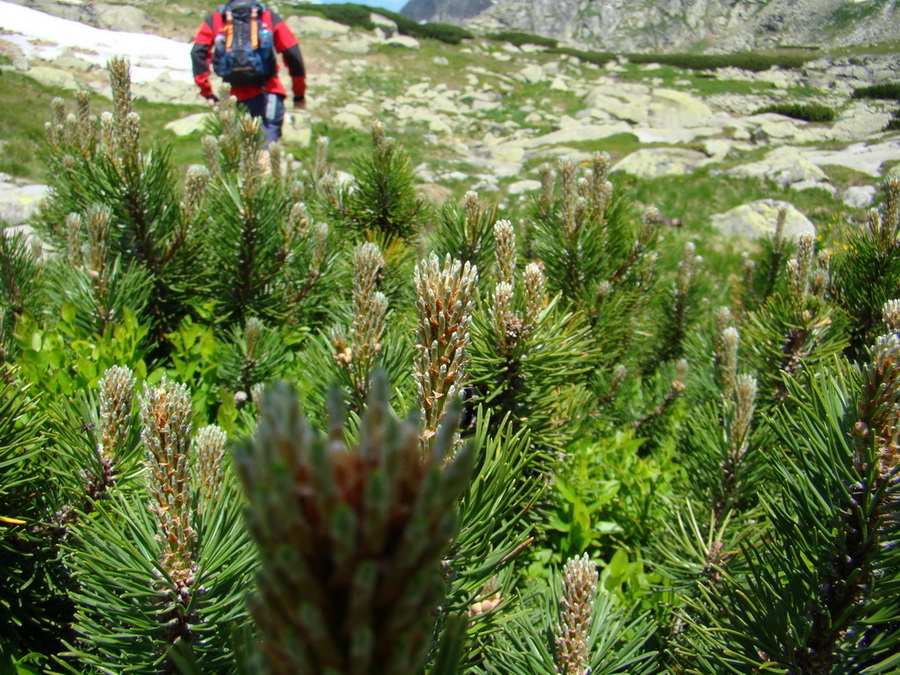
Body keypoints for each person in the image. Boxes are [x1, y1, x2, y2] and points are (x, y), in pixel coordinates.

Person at [191, 0, 306, 149]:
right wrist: (299, 95)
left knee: (235, 152)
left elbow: (197, 52)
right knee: (266, 149)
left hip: (232, 97)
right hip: (268, 94)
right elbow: (292, 53)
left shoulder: (216, 19)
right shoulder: (267, 16)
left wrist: (207, 93)